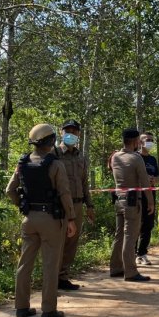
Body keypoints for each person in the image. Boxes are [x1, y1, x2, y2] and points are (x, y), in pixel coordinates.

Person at [6, 123, 77, 317]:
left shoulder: (22, 163)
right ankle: (48, 310)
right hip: (51, 220)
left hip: (29, 219)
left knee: (24, 264)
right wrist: (71, 218)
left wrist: (22, 204)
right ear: (51, 141)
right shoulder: (55, 164)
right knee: (50, 265)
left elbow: (9, 190)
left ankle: (21, 308)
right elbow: (64, 193)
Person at [53, 119, 95, 290]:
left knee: (71, 242)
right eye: (67, 130)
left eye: (74, 131)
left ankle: (62, 277)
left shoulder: (80, 157)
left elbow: (84, 183)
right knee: (57, 242)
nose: (71, 133)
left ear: (79, 134)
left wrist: (89, 206)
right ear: (61, 132)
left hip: (77, 204)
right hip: (59, 205)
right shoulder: (54, 154)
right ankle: (51, 277)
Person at [109, 127, 155, 282]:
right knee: (130, 236)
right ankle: (130, 271)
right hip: (132, 201)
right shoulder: (136, 158)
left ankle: (115, 268)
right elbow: (144, 183)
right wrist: (151, 201)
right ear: (136, 142)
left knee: (119, 235)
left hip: (118, 200)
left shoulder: (115, 157)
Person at [136, 132, 159, 266]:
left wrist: (153, 179)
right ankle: (132, 253)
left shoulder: (152, 159)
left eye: (151, 139)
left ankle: (142, 253)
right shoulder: (135, 157)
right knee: (135, 225)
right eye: (146, 139)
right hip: (138, 196)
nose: (149, 142)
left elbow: (156, 176)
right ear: (140, 142)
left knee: (148, 224)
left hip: (150, 194)